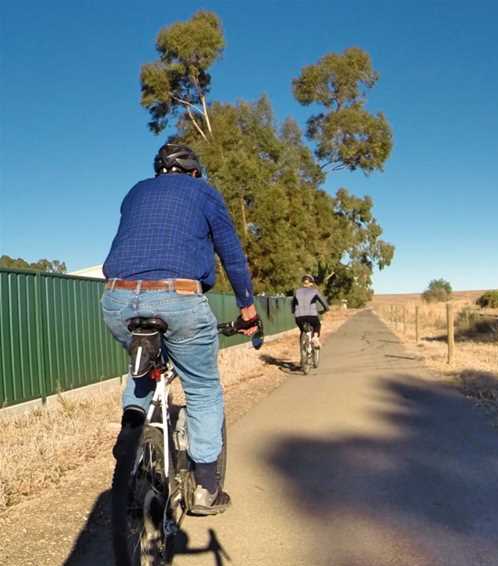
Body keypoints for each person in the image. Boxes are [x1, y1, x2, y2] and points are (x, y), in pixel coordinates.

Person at [101, 143, 258, 515]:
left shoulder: (135, 192)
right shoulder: (203, 192)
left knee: (143, 370)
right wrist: (247, 307)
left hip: (116, 298)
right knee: (202, 388)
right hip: (179, 298)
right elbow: (231, 252)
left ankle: (131, 431)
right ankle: (205, 488)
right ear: (193, 172)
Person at [291, 274, 329, 347]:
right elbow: (323, 302)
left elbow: (292, 304)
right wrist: (325, 309)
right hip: (312, 316)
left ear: (303, 282)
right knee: (317, 324)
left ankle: (303, 350)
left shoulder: (297, 291)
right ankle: (315, 337)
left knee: (302, 330)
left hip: (299, 317)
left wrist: (293, 311)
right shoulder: (314, 291)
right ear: (311, 283)